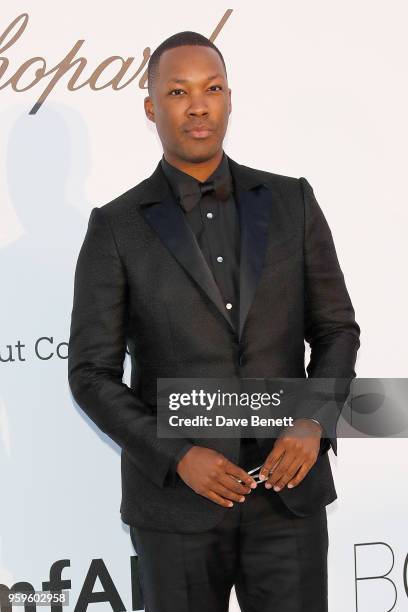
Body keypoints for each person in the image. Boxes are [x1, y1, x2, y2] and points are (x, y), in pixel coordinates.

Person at [68, 31, 360, 612]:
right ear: (151, 108)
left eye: (212, 88)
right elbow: (91, 373)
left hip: (288, 502)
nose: (198, 105)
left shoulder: (292, 201)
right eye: (178, 91)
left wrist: (314, 422)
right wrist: (176, 454)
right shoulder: (117, 226)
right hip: (176, 507)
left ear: (230, 99)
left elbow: (336, 330)